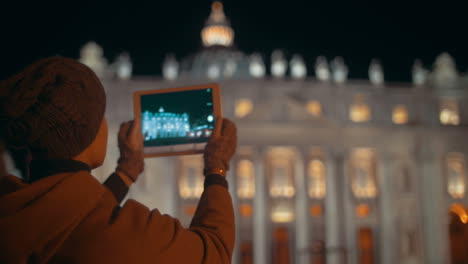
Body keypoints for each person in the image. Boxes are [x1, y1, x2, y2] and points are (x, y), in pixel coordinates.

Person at [0, 57, 237, 263]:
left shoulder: (14, 211)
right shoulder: (131, 237)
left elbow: (67, 213)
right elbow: (213, 252)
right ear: (92, 131)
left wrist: (125, 172)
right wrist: (216, 168)